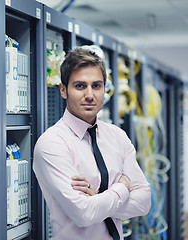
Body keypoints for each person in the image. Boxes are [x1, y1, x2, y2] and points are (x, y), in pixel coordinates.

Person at [33, 47, 151, 240]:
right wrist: (122, 187)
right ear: (63, 90)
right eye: (80, 86)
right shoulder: (52, 144)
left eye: (96, 86)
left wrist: (97, 196)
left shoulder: (117, 137)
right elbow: (84, 214)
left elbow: (144, 202)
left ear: (105, 88)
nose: (89, 95)